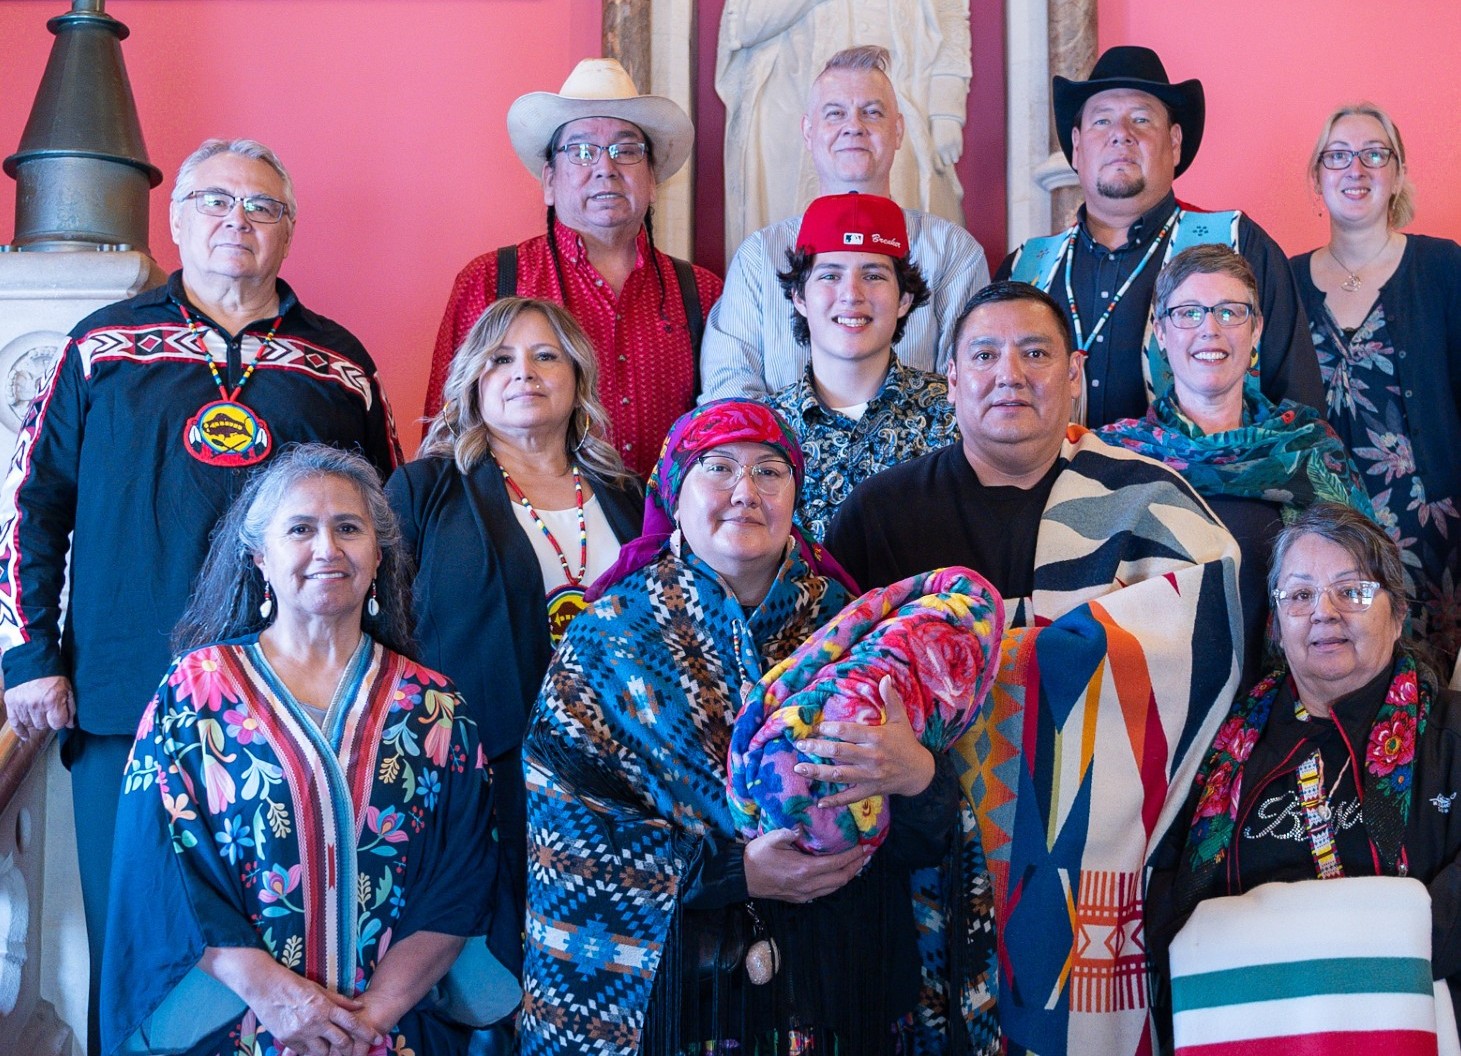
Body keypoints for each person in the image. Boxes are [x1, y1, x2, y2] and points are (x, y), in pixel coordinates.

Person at [0, 137, 401, 1055]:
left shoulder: (339, 365)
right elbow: (33, 503)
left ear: (289, 232)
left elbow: (384, 531)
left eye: (261, 208)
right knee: (138, 939)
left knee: (286, 945)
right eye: (215, 202)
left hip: (300, 706)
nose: (237, 221)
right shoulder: (102, 344)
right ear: (175, 220)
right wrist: (31, 657)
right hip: (124, 695)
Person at [825, 281, 1243, 1055]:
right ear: (949, 377)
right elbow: (829, 684)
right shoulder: (879, 515)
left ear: (1075, 373)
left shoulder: (1145, 504)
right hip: (919, 875)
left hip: (1088, 877)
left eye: (1035, 353)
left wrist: (983, 665)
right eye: (983, 354)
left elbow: (1210, 641)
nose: (1008, 373)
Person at [517, 400, 986, 1055]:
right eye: (718, 467)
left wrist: (916, 775)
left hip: (844, 996)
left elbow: (929, 834)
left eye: (770, 471)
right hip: (689, 1006)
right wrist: (737, 874)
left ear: (796, 495)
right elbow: (569, 840)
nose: (746, 491)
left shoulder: (854, 632)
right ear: (673, 495)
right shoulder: (607, 644)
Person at [100, 444, 508, 1056]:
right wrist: (280, 1000)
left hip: (395, 1032)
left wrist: (367, 1021)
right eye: (301, 529)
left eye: (349, 528)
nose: (327, 549)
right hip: (240, 1027)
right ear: (260, 556)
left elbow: (463, 880)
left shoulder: (435, 706)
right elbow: (163, 870)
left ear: (378, 553)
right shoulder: (196, 691)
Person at [386, 296, 642, 973]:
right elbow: (380, 632)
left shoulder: (630, 495)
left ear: (578, 377)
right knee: (493, 989)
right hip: (479, 779)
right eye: (500, 358)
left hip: (614, 782)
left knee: (600, 980)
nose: (522, 372)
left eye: (544, 355)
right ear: (473, 379)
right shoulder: (425, 489)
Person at [1164, 502, 1461, 1022]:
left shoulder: (1451, 733)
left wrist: (1351, 962)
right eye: (1300, 595)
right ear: (1277, 626)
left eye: (1351, 591)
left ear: (1396, 617)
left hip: (1412, 1018)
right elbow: (1166, 893)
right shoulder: (1218, 744)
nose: (1324, 612)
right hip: (1245, 1021)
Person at [425, 58, 723, 476]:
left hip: (668, 536)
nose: (605, 168)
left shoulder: (704, 293)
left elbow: (730, 437)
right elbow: (445, 439)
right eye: (581, 151)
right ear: (550, 180)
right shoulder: (490, 282)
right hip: (523, 533)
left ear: (653, 180)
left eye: (626, 150)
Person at [998, 45, 1322, 428]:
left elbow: (1298, 410)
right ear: (1077, 144)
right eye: (1102, 122)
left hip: (1200, 488)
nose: (1121, 134)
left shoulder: (1236, 246)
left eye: (1141, 120)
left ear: (1174, 142)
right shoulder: (1024, 268)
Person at [1099, 244, 1372, 685]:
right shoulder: (1114, 458)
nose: (1210, 329)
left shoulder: (1308, 447)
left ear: (1257, 329)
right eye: (1188, 312)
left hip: (1290, 703)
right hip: (1149, 704)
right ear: (1161, 333)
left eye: (1230, 312)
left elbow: (1367, 588)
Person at [701, 45, 989, 401]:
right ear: (808, 131)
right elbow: (729, 392)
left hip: (923, 455)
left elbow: (970, 388)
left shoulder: (953, 252)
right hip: (781, 455)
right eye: (835, 113)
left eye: (872, 112)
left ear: (898, 131)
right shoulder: (759, 256)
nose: (854, 126)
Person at [1291, 103, 1461, 669]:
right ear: (1317, 177)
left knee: (1426, 688)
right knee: (1334, 681)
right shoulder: (1284, 281)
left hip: (1432, 532)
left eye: (1374, 154)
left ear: (1397, 174)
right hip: (1319, 528)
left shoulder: (1442, 267)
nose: (1355, 168)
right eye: (1337, 156)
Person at [763, 191, 953, 539]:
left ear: (904, 299)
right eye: (830, 276)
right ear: (800, 297)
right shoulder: (761, 429)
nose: (852, 294)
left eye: (874, 276)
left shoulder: (955, 415)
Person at [716, 2, 973, 242]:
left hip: (896, 93)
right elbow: (744, 24)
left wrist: (946, 105)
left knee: (904, 233)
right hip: (791, 100)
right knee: (788, 242)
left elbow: (949, 12)